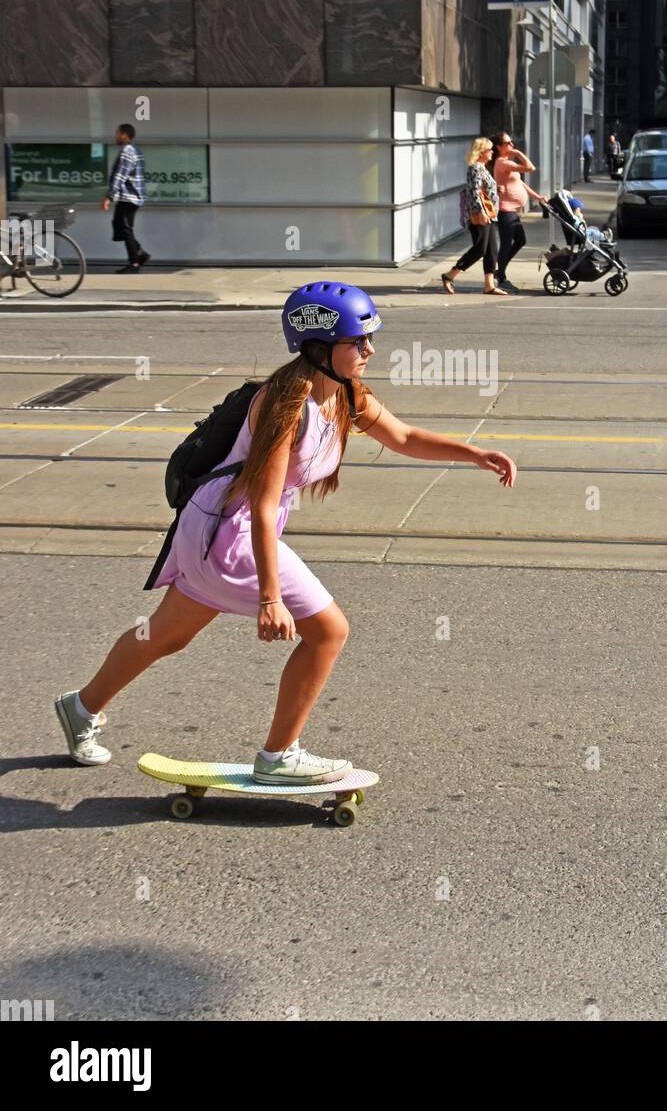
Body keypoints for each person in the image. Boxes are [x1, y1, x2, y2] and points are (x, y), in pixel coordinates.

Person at [54, 283, 517, 783]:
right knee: (329, 631)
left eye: (369, 339)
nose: (370, 350)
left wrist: (473, 453)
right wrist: (270, 599)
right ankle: (279, 757)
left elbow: (402, 437)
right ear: (319, 347)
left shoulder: (344, 395)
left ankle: (81, 707)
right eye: (358, 342)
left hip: (209, 527)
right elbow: (264, 502)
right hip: (232, 534)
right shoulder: (286, 406)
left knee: (166, 635)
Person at [441, 138, 507, 296]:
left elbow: (483, 189)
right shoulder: (476, 168)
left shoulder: (482, 168)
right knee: (480, 249)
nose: (492, 152)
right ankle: (450, 275)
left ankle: (489, 285)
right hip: (479, 215)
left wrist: (496, 189)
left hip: (489, 214)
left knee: (492, 250)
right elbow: (473, 192)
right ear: (481, 151)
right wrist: (481, 212)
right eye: (489, 149)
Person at [489, 132, 547, 293]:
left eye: (512, 142)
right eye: (508, 143)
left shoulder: (507, 162)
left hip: (511, 211)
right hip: (505, 211)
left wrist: (538, 197)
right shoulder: (502, 163)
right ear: (499, 147)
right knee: (506, 244)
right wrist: (518, 153)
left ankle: (499, 270)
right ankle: (501, 277)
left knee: (520, 240)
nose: (512, 145)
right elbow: (530, 168)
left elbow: (520, 183)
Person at [103, 124, 151, 273]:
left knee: (125, 229)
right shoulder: (136, 150)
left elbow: (120, 175)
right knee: (121, 226)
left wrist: (109, 196)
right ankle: (140, 254)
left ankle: (135, 263)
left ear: (124, 134)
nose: (115, 135)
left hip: (128, 197)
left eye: (117, 133)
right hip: (132, 196)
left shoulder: (127, 151)